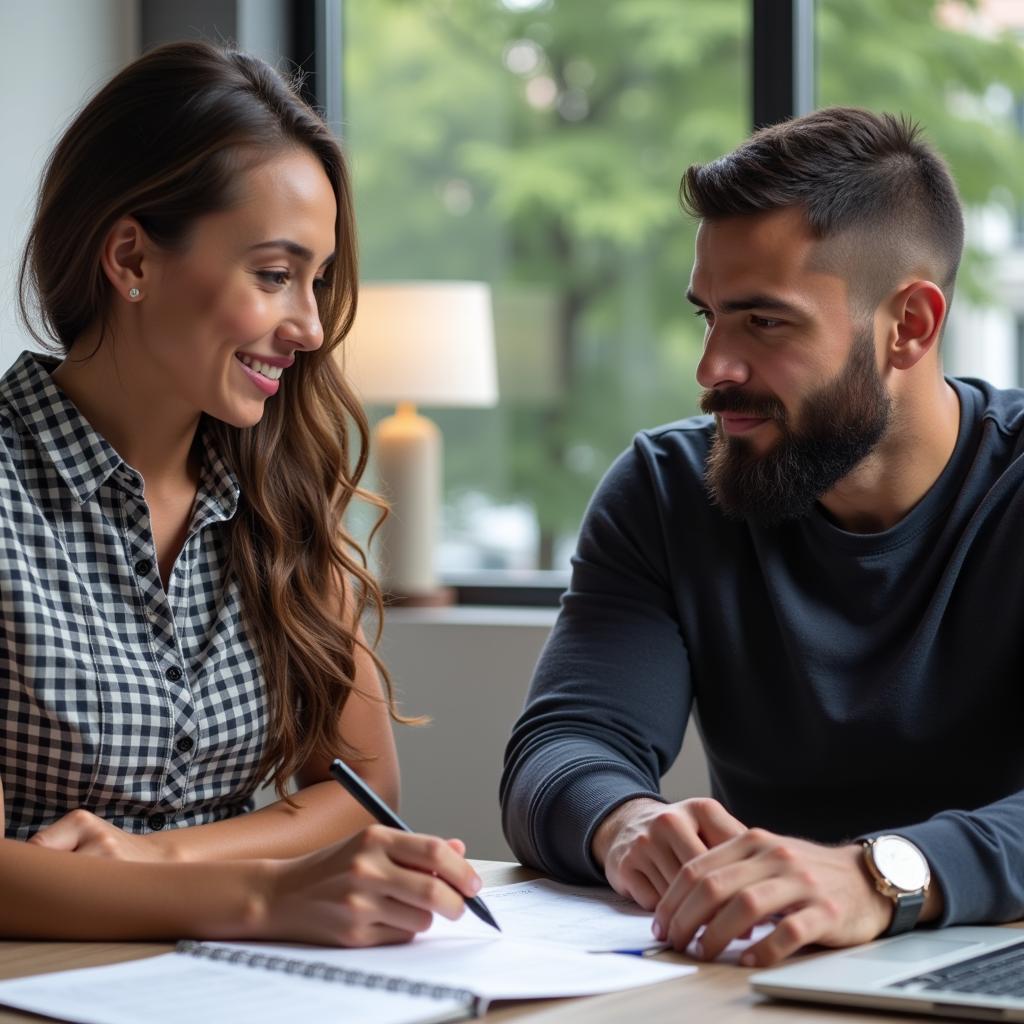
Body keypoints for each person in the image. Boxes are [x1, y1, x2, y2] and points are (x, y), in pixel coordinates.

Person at [501, 106, 1024, 968]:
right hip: (764, 976)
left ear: (912, 326)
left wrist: (879, 877)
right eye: (708, 316)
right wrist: (624, 824)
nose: (714, 369)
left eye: (764, 323)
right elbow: (563, 747)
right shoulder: (668, 490)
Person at [0, 41, 481, 944]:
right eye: (273, 275)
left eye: (319, 279)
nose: (307, 325)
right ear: (131, 258)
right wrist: (263, 895)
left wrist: (160, 857)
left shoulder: (278, 486)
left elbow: (356, 791)